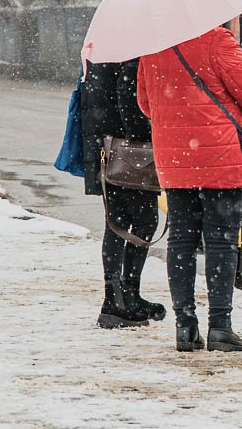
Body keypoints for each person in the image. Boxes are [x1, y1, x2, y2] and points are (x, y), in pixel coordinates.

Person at [137, 27, 242, 353]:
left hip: (175, 159)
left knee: (180, 239)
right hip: (220, 158)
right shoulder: (217, 40)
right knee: (221, 242)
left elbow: (145, 103)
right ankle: (220, 328)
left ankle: (185, 326)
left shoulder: (153, 44)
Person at [80, 59, 163, 330]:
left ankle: (118, 297)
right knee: (144, 221)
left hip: (109, 146)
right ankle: (122, 296)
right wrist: (149, 134)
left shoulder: (104, 47)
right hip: (130, 152)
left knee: (117, 223)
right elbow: (131, 102)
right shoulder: (131, 51)